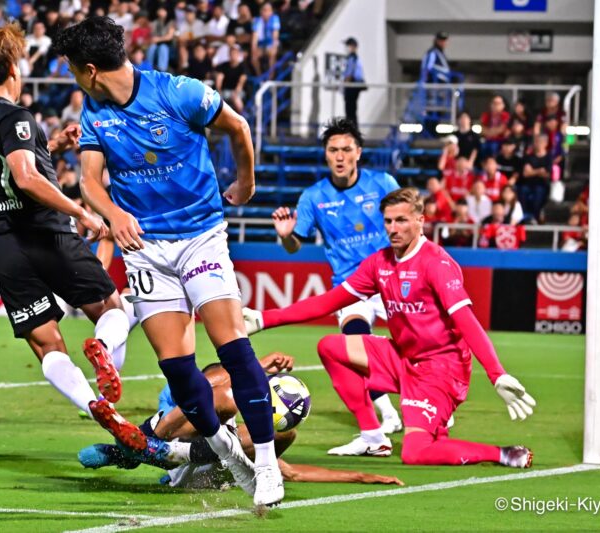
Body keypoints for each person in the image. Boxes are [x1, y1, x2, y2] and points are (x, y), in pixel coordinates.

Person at [53, 16, 284, 507]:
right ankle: (226, 452)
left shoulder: (177, 91)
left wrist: (246, 184)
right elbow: (90, 182)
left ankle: (265, 464)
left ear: (90, 69)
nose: (74, 78)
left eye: (73, 70)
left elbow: (238, 126)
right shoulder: (95, 115)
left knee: (233, 349)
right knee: (178, 370)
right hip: (148, 250)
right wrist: (113, 213)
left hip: (201, 237)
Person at [243, 188, 536, 467]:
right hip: (403, 358)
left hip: (441, 370)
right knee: (330, 347)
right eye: (388, 221)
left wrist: (497, 373)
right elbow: (328, 302)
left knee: (416, 452)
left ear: (420, 221)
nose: (393, 228)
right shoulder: (379, 263)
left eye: (402, 220)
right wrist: (265, 319)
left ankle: (504, 454)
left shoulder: (437, 264)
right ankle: (373, 436)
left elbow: (466, 321)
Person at [0, 23, 141, 451]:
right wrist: (82, 210)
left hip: (4, 243)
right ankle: (102, 345)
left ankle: (96, 406)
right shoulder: (15, 116)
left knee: (46, 344)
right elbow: (24, 175)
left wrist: (51, 145)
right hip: (46, 232)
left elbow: (5, 162)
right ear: (10, 69)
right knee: (112, 307)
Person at [78, 353, 404, 488]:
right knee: (218, 400)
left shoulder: (246, 430)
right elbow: (215, 387)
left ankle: (134, 451)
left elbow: (291, 472)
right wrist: (259, 367)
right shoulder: (212, 392)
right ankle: (132, 451)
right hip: (173, 433)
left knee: (284, 437)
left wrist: (360, 476)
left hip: (192, 468)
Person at [270, 118, 403, 437]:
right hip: (351, 287)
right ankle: (388, 415)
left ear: (358, 152)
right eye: (333, 150)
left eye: (346, 149)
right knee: (355, 347)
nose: (340, 156)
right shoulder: (314, 197)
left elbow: (407, 223)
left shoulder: (383, 183)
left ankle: (428, 397)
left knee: (415, 345)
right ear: (326, 155)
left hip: (391, 278)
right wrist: (287, 235)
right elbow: (293, 246)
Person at [342, 37, 365, 126]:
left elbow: (349, 74)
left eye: (348, 45)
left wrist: (345, 84)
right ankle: (352, 131)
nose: (346, 48)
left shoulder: (352, 58)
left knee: (350, 111)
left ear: (353, 46)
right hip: (353, 86)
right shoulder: (353, 58)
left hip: (352, 86)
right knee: (351, 111)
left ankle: (352, 131)